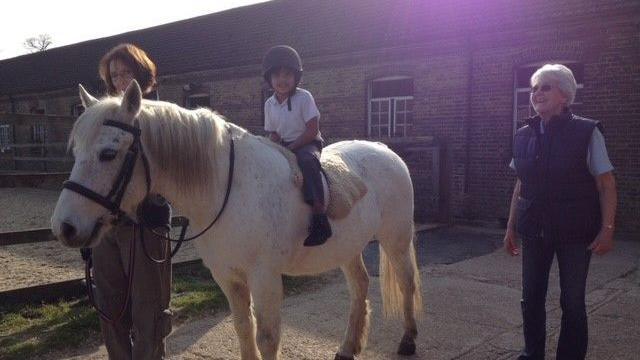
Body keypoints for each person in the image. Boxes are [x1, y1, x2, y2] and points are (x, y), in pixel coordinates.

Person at [504, 64, 617, 359]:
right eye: (534, 88)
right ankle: (532, 354)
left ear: (564, 95)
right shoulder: (522, 135)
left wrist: (607, 230)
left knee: (573, 302)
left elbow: (606, 184)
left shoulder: (587, 132)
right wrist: (510, 227)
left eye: (546, 87)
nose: (537, 93)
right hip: (534, 230)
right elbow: (521, 185)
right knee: (530, 299)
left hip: (575, 233)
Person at [92, 43, 172, 359]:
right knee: (110, 306)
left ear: (140, 74)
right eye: (114, 75)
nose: (120, 80)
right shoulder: (104, 118)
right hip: (108, 225)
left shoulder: (162, 117)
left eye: (126, 73)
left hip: (145, 221)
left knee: (148, 307)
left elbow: (170, 170)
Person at [262, 45, 332, 246]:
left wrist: (291, 149)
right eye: (277, 75)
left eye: (287, 75)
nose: (282, 80)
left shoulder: (304, 97)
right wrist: (268, 147)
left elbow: (312, 129)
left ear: (296, 77)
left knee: (307, 162)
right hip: (284, 144)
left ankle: (320, 218)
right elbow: (274, 133)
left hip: (307, 143)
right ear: (269, 78)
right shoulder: (269, 104)